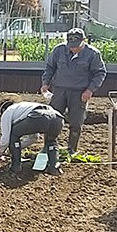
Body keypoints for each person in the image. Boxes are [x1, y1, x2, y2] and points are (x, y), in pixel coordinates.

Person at [40, 28, 107, 156]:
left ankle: (72, 150)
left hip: (79, 93)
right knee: (52, 119)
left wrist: (90, 90)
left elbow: (100, 73)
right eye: (71, 46)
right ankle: (48, 147)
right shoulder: (59, 51)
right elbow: (50, 67)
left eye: (76, 46)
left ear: (84, 41)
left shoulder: (93, 54)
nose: (73, 49)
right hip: (59, 90)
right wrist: (45, 83)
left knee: (76, 123)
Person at [0, 95, 65, 175]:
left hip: (38, 116)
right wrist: (15, 148)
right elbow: (34, 137)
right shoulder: (24, 107)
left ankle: (15, 166)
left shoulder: (7, 112)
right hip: (57, 117)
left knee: (13, 135)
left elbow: (6, 138)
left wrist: (0, 153)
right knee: (51, 141)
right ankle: (54, 167)